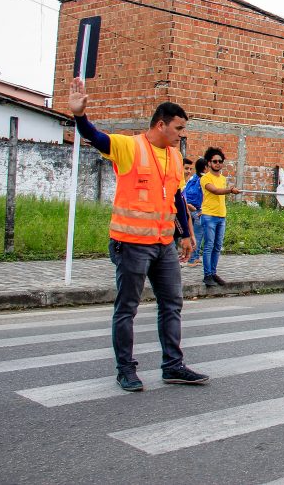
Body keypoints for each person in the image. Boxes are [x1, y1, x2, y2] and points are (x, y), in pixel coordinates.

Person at [67, 77, 208, 392]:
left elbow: (175, 197)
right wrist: (80, 116)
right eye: (178, 128)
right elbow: (95, 137)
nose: (181, 134)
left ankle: (173, 366)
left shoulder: (173, 156)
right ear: (161, 125)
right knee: (127, 306)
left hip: (162, 244)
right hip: (130, 244)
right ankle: (125, 370)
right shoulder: (129, 146)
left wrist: (185, 233)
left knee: (172, 303)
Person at [199, 147, 241, 286]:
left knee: (217, 246)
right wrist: (230, 190)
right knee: (209, 246)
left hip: (221, 216)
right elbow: (215, 191)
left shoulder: (222, 178)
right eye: (215, 161)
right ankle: (207, 275)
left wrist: (229, 190)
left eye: (220, 161)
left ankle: (213, 272)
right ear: (209, 163)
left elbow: (221, 191)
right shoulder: (205, 178)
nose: (217, 163)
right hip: (209, 216)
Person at [182, 157, 205, 266]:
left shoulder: (193, 178)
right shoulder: (205, 179)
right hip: (197, 209)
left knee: (191, 235)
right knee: (197, 235)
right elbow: (206, 195)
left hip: (187, 207)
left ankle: (191, 257)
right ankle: (192, 259)